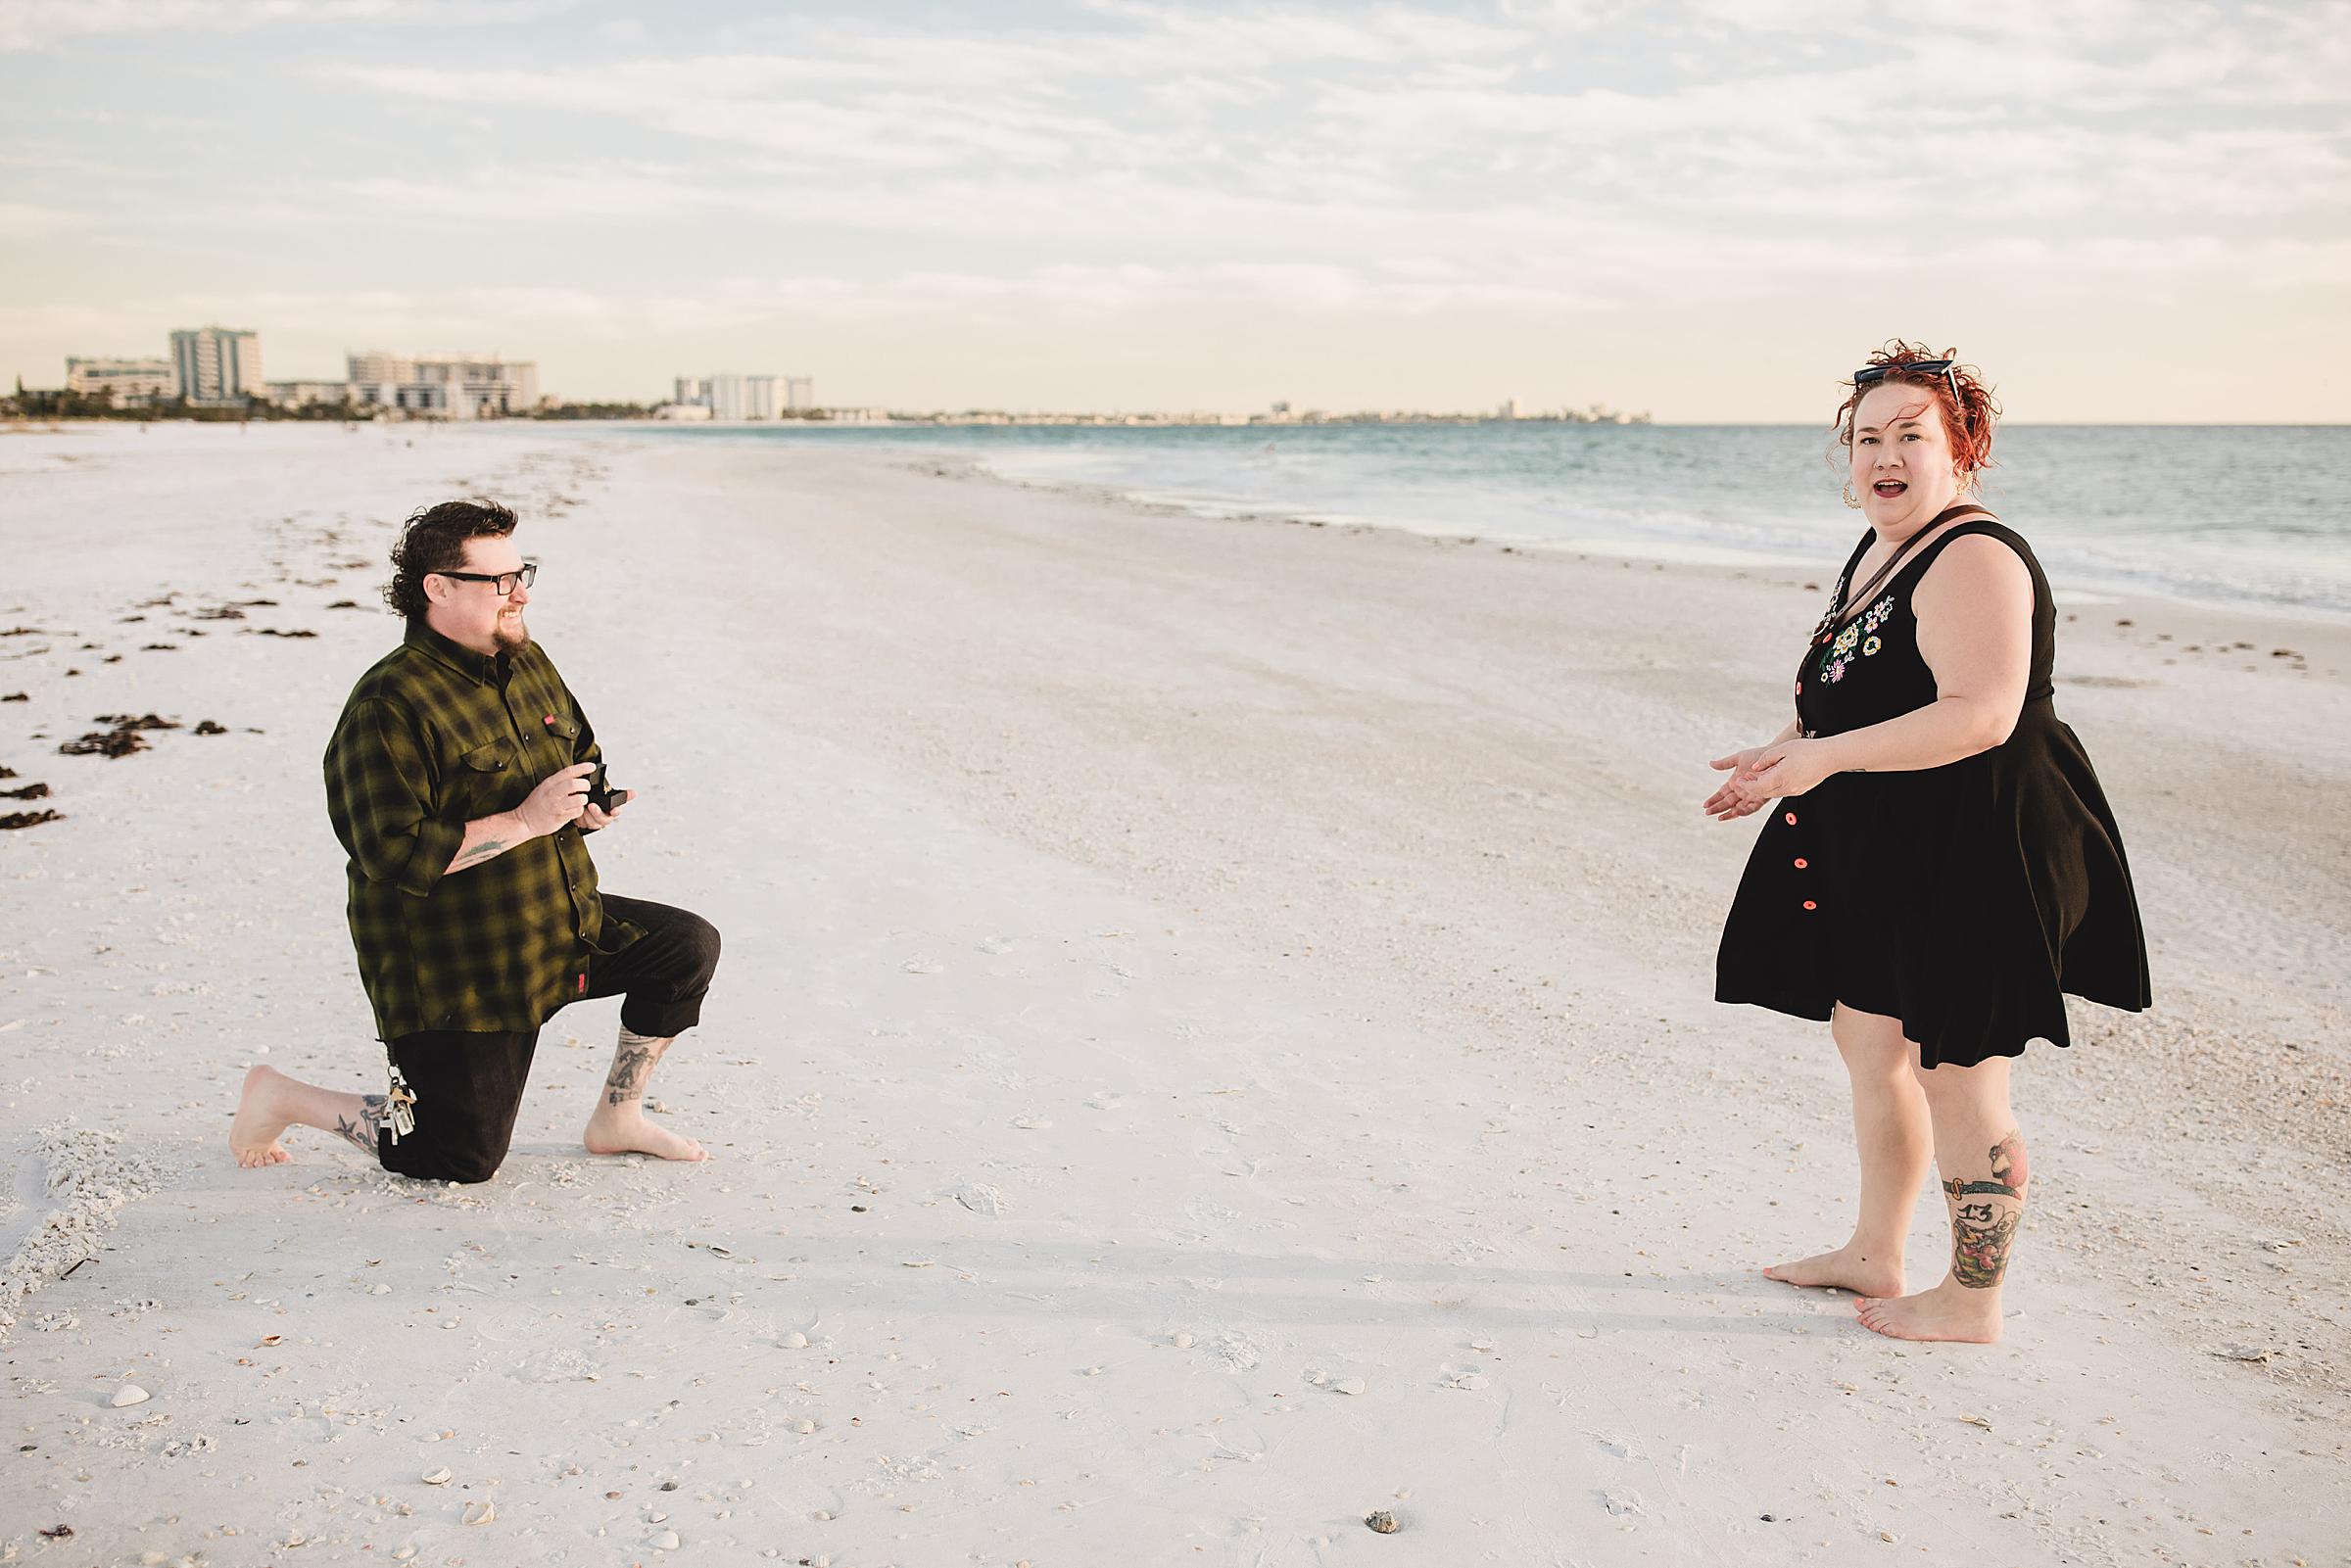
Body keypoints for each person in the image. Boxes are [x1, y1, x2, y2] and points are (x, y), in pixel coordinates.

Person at [1707, 344, 2149, 1343]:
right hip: (1893, 842)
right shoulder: (1878, 549)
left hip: (1983, 844)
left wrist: (1822, 762)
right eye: (1868, 437)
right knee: (1869, 1039)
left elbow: (1982, 714)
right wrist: (1782, 754)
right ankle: (1875, 1249)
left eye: (1912, 433)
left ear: (1963, 449)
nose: (1884, 454)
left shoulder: (1975, 554)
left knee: (1961, 1070)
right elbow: (1848, 691)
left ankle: (1973, 1298)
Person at [229, 499, 720, 1181]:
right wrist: (524, 820)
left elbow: (580, 755)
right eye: (500, 581)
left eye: (524, 573)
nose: (520, 593)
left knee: (686, 946)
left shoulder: (525, 661)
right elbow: (393, 853)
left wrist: (586, 809)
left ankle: (617, 1117)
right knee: (457, 1156)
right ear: (439, 587)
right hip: (457, 970)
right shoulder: (387, 705)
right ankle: (282, 1096)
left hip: (554, 921)